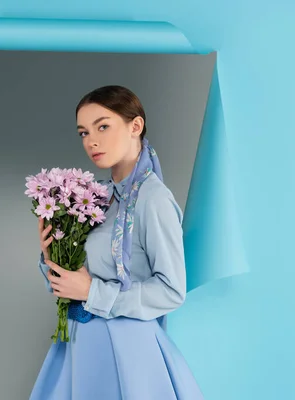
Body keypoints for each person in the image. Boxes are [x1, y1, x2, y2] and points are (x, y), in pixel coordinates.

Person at [29, 85, 204, 400]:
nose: (91, 141)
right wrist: (52, 254)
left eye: (103, 126)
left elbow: (172, 290)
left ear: (135, 126)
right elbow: (75, 284)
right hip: (79, 348)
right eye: (83, 133)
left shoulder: (154, 200)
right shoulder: (96, 197)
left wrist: (92, 291)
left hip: (130, 353)